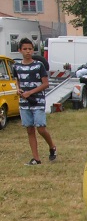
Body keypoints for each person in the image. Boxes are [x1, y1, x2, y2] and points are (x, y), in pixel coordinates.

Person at [13, 37, 56, 165]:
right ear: (20, 50)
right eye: (25, 49)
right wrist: (18, 89)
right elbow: (17, 80)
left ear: (33, 50)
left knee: (41, 128)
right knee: (30, 130)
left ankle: (52, 146)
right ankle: (36, 158)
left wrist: (30, 92)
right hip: (24, 102)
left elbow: (45, 84)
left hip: (37, 101)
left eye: (30, 49)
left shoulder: (39, 65)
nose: (28, 51)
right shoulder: (16, 66)